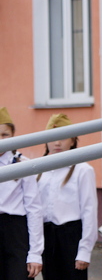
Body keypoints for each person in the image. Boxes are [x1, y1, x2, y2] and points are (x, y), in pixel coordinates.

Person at [37, 114, 96, 280]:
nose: (57, 143)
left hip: (71, 237)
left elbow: (89, 210)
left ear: (73, 140)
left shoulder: (82, 170)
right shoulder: (38, 170)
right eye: (52, 138)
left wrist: (84, 250)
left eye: (63, 137)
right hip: (47, 236)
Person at [0, 108, 41, 280]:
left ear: (13, 135)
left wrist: (35, 253)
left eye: (4, 134)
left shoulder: (23, 164)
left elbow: (34, 209)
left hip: (16, 231)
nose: (0, 140)